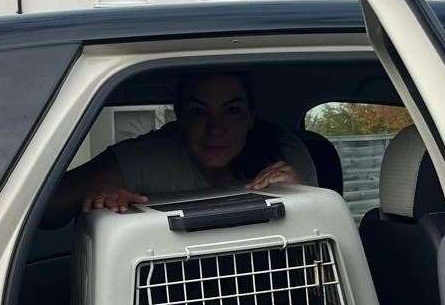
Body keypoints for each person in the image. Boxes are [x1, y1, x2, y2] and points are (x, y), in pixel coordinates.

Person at [42, 71, 318, 226]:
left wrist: (298, 195)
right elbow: (46, 208)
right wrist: (99, 198)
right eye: (198, 112)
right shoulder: (146, 157)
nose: (215, 128)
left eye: (232, 111)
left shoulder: (284, 153)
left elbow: (317, 240)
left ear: (250, 117)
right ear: (180, 118)